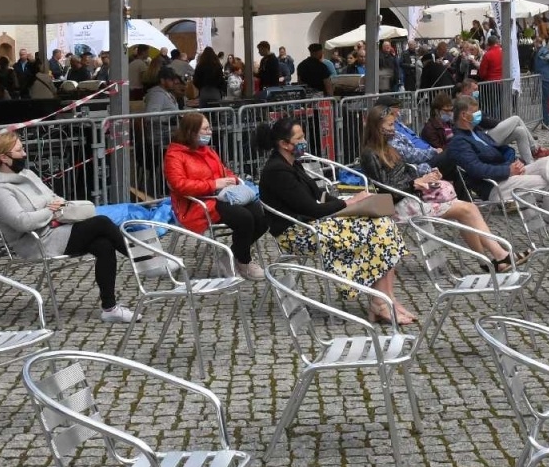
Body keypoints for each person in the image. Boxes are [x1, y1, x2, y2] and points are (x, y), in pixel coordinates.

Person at [259, 116, 415, 324]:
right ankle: (380, 303)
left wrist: (351, 201)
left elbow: (318, 194)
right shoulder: (277, 171)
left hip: (311, 225)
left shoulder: (292, 163)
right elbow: (311, 208)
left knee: (383, 224)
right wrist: (348, 204)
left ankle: (387, 299)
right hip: (297, 234)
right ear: (284, 144)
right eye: (299, 138)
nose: (304, 141)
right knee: (378, 231)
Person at [0, 131, 136, 322]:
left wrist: (54, 210)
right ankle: (145, 260)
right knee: (101, 222)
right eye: (19, 150)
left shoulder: (27, 174)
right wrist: (50, 213)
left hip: (57, 229)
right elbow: (22, 222)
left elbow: (56, 199)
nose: (25, 154)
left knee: (103, 244)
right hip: (37, 241)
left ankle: (110, 309)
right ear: (4, 157)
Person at [358, 106, 514, 268]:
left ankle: (489, 259)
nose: (393, 130)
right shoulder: (370, 154)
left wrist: (426, 175)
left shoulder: (388, 148)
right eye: (389, 126)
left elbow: (405, 173)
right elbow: (387, 188)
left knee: (467, 210)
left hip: (411, 196)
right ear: (377, 127)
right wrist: (415, 182)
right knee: (467, 210)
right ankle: (499, 256)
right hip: (400, 204)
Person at [445, 97, 549, 230]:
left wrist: (514, 164)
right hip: (494, 186)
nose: (479, 114)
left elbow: (502, 151)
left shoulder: (477, 132)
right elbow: (476, 169)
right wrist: (508, 170)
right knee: (547, 182)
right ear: (464, 115)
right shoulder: (459, 142)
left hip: (506, 176)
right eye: (475, 111)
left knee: (547, 162)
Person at [163, 111, 266, 280]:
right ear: (191, 132)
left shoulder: (208, 151)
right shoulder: (175, 155)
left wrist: (232, 179)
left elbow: (223, 171)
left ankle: (231, 256)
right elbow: (179, 185)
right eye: (205, 129)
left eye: (209, 128)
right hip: (198, 205)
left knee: (261, 216)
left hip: (221, 197)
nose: (209, 132)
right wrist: (213, 184)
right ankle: (244, 262)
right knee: (245, 218)